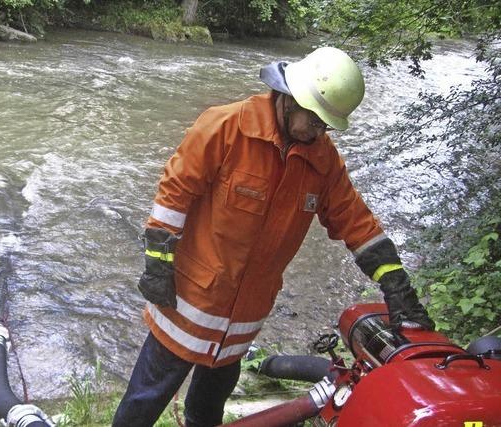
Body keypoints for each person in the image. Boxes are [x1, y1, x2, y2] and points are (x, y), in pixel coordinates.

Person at [112, 46, 434, 427]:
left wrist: (397, 286)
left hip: (243, 319)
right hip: (186, 302)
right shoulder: (225, 127)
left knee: (208, 409)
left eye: (326, 125)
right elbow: (174, 193)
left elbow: (356, 222)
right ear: (290, 97)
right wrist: (157, 263)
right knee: (144, 402)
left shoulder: (323, 161)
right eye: (314, 120)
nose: (319, 132)